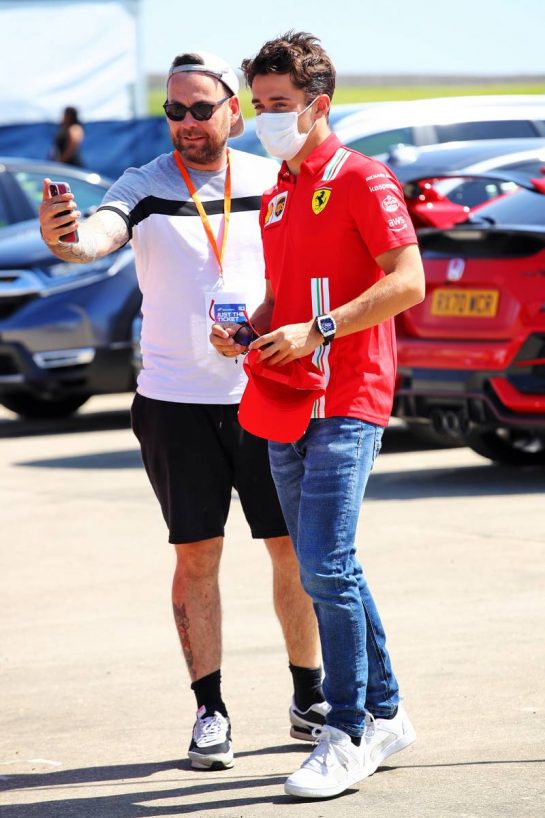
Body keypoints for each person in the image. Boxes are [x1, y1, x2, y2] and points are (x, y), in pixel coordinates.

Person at [38, 50, 325, 772]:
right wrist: (64, 238)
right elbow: (96, 234)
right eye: (174, 110)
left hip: (268, 390)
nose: (188, 123)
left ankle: (309, 695)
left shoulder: (273, 178)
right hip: (174, 402)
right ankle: (210, 710)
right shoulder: (142, 184)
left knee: (291, 549)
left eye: (201, 108)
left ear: (234, 108)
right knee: (197, 554)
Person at [213, 31, 425, 798]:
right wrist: (249, 328)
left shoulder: (364, 180)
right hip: (287, 397)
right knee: (322, 566)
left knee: (325, 566)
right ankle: (387, 712)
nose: (266, 118)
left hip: (350, 395)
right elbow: (286, 296)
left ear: (317, 105)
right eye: (258, 105)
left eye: (280, 105)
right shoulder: (277, 191)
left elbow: (408, 283)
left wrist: (321, 328)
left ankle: (346, 730)